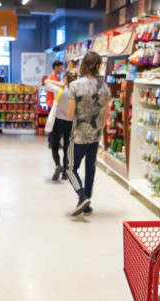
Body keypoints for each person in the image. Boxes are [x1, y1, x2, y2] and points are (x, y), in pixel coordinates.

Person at [66, 52, 111, 216]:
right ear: (98, 66)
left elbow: (70, 114)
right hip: (95, 135)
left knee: (70, 168)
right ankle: (87, 202)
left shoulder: (75, 86)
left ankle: (82, 195)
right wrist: (97, 129)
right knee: (90, 168)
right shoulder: (105, 87)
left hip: (78, 135)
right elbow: (106, 115)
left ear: (83, 64)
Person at [49, 70, 79, 181]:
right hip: (70, 123)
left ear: (65, 80)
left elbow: (47, 83)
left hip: (58, 122)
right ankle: (65, 172)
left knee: (55, 146)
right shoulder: (75, 93)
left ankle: (58, 165)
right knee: (67, 148)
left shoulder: (59, 90)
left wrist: (58, 83)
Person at [45, 61, 65, 150]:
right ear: (56, 67)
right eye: (61, 68)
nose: (62, 70)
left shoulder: (53, 77)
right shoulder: (53, 78)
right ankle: (52, 142)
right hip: (52, 103)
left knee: (52, 122)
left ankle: (52, 142)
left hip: (52, 103)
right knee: (53, 123)